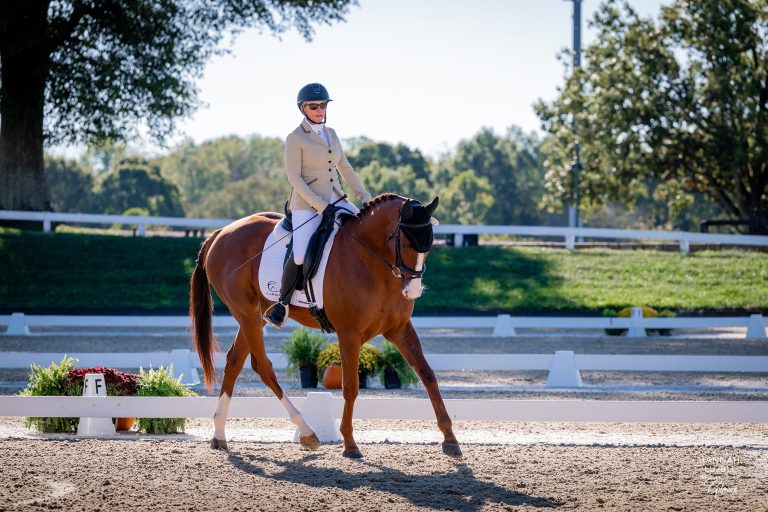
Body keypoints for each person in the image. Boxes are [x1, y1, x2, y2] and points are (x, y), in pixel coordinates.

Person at [264, 83, 372, 328]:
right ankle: (282, 303)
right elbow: (294, 178)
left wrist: (365, 197)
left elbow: (345, 168)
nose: (319, 110)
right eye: (314, 106)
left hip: (336, 197)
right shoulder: (295, 138)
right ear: (303, 108)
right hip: (306, 203)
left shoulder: (332, 133)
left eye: (323, 105)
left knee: (365, 234)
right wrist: (320, 205)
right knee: (301, 253)